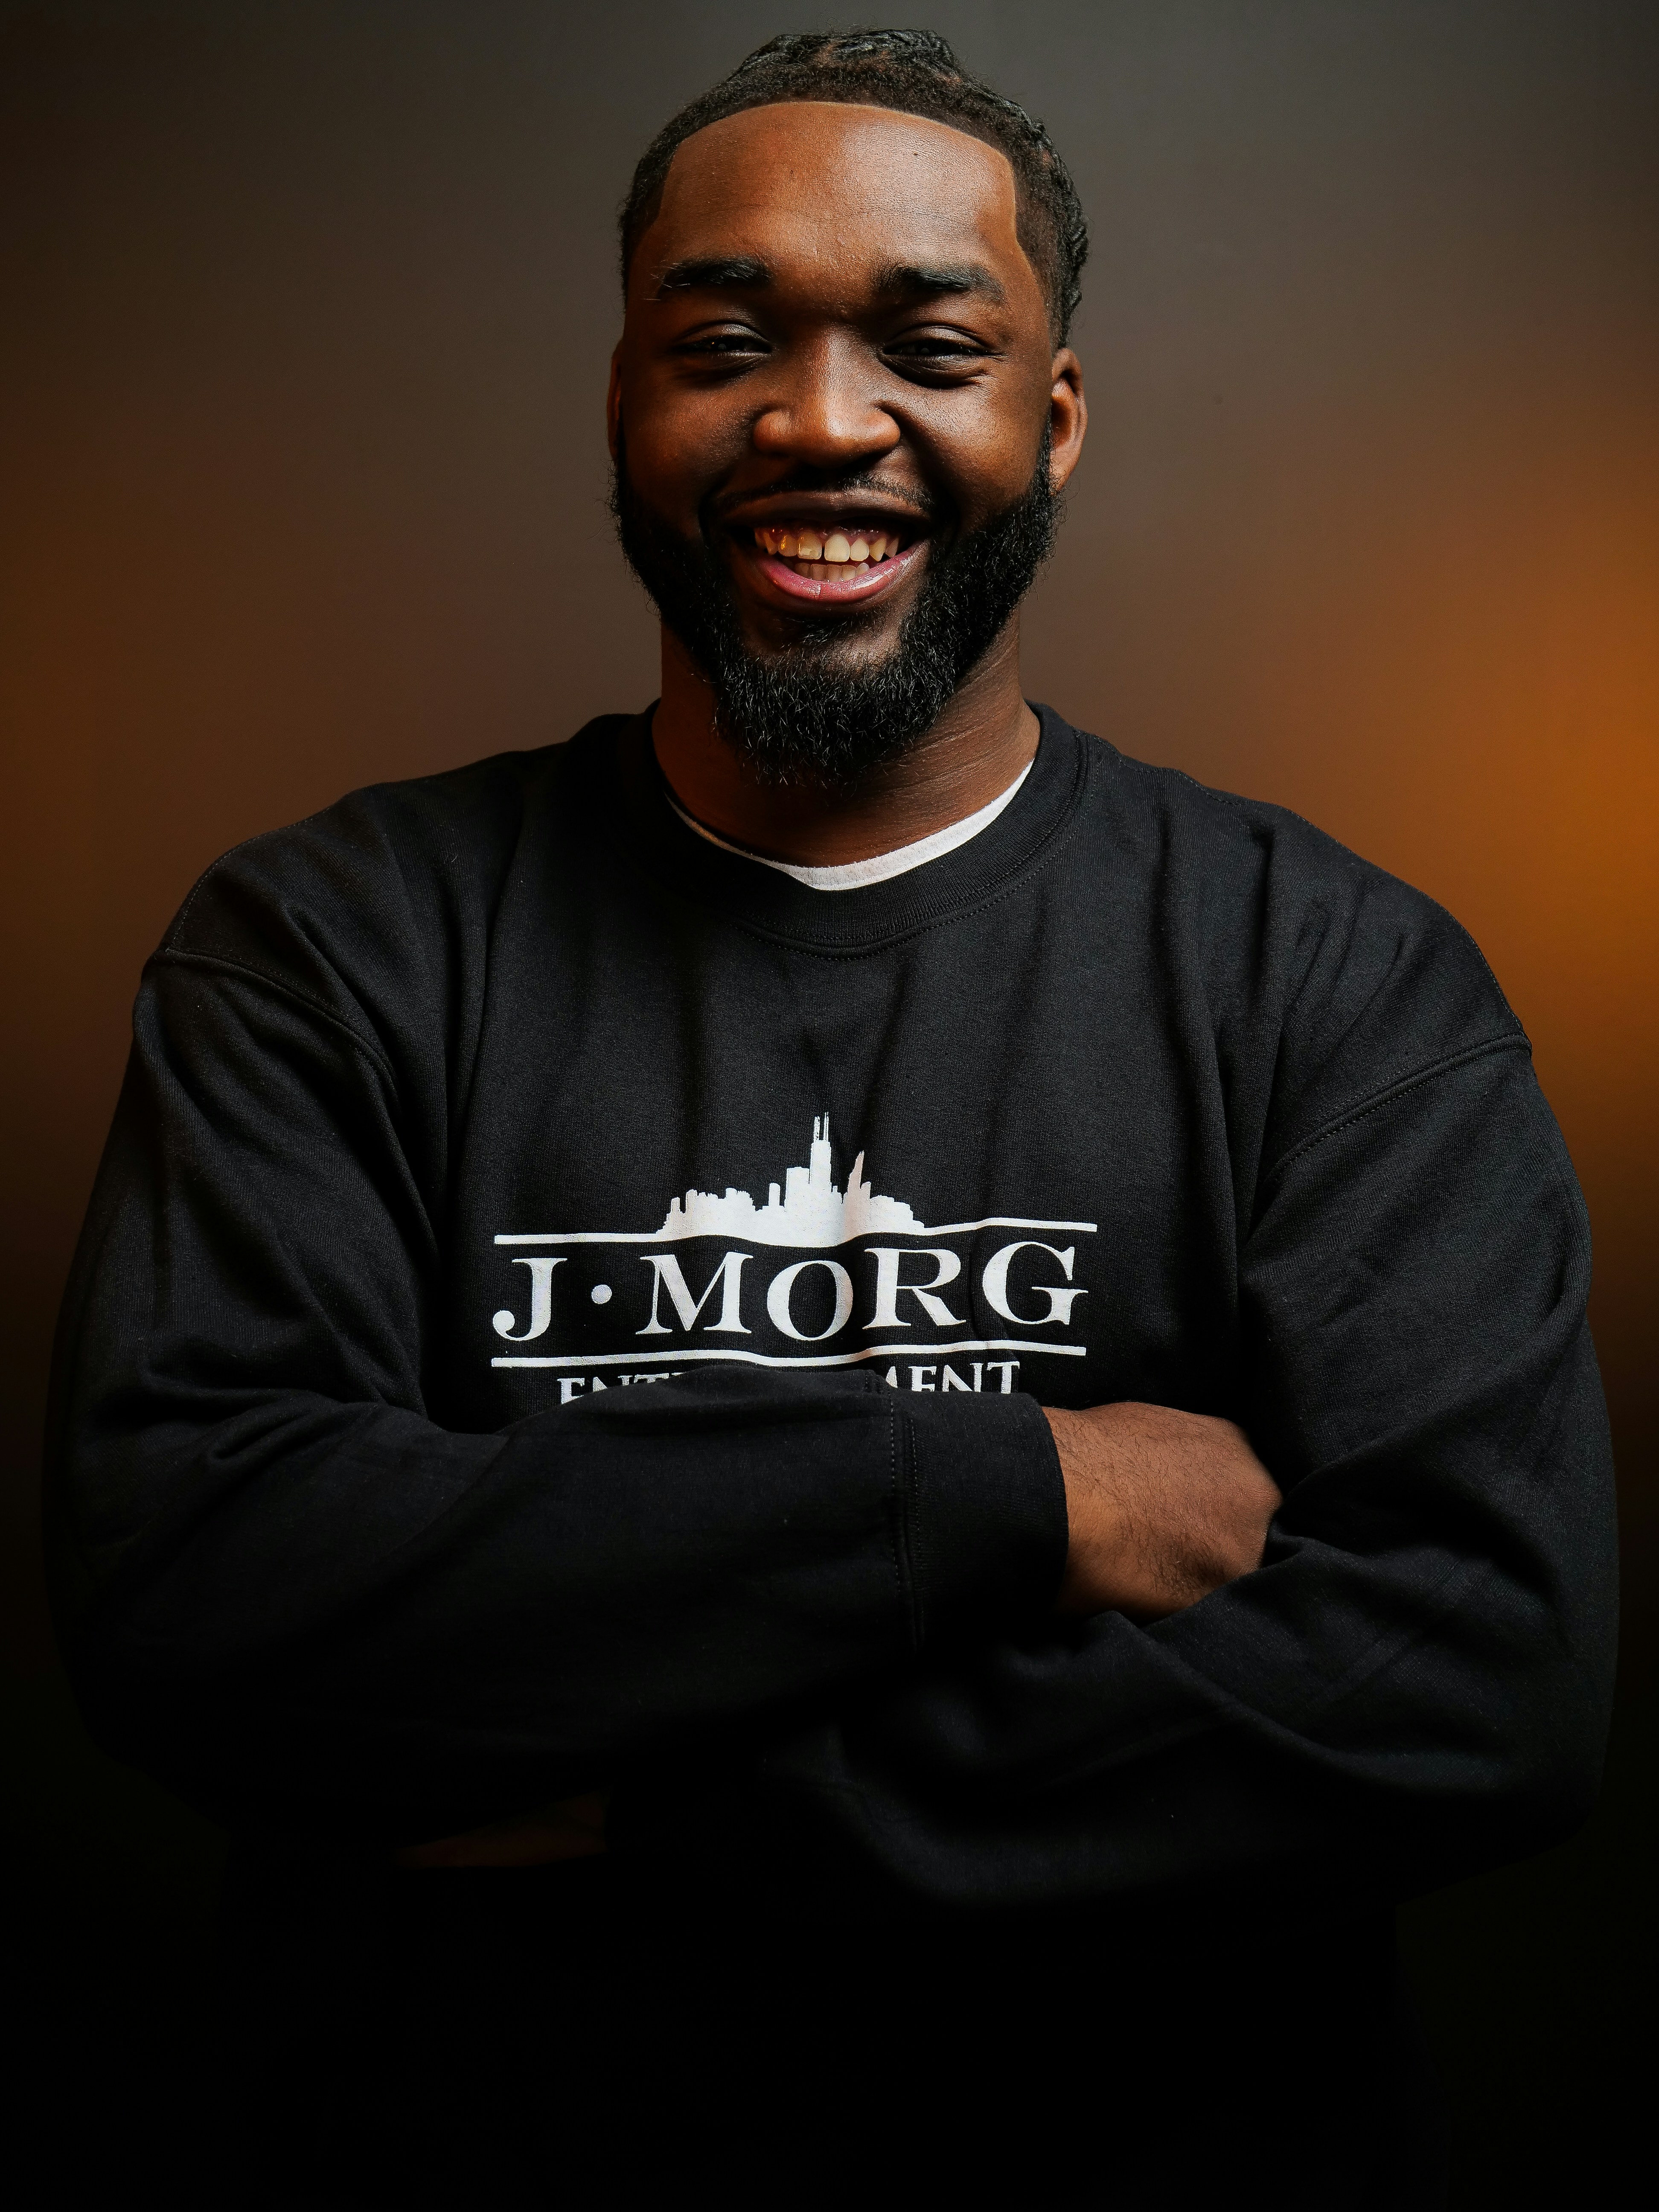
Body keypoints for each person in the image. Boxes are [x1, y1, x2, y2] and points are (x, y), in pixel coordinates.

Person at [47, 27, 1615, 2210]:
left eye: (927, 342)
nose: (817, 417)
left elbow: (1478, 1680)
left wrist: (661, 1810)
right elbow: (196, 1593)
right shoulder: (331, 949)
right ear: (623, 405)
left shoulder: (1334, 978)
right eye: (723, 340)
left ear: (1049, 427)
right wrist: (1026, 1490)